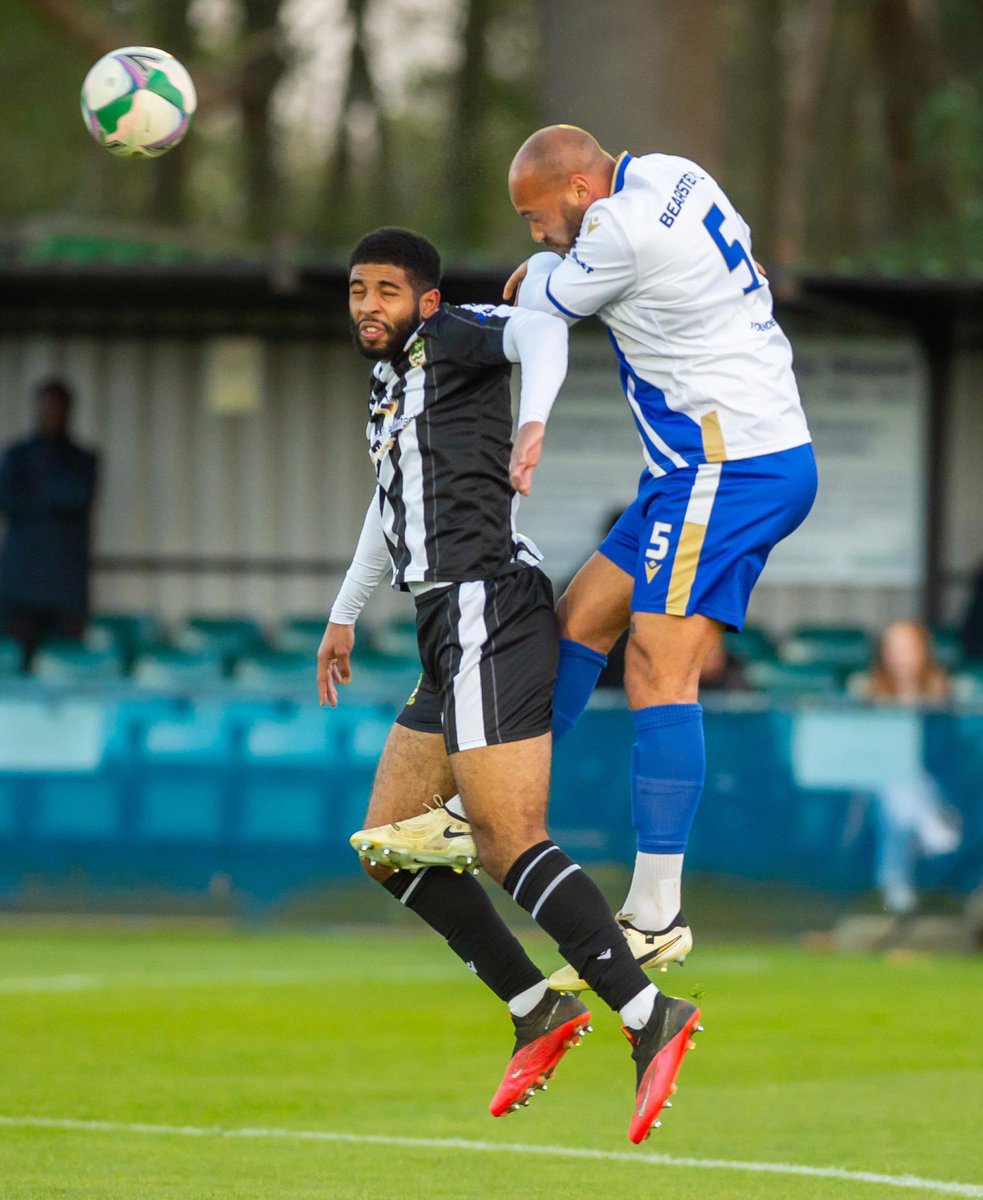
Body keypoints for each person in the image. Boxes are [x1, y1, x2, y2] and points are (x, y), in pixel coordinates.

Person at [356, 125, 817, 992]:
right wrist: (549, 272)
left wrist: (537, 283)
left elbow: (542, 311)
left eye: (535, 217)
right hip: (708, 464)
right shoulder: (677, 171)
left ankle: (653, 912)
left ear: (577, 187)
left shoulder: (616, 231)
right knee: (581, 618)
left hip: (727, 465)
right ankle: (472, 810)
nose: (533, 235)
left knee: (656, 669)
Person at [317, 227, 700, 1143]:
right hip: (443, 620)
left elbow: (543, 333)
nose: (369, 304)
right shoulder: (392, 377)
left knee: (505, 839)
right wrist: (343, 611)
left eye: (387, 290)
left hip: (491, 605)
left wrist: (534, 423)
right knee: (388, 845)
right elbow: (391, 502)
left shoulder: (458, 334)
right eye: (357, 289)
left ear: (427, 300)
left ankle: (650, 1016)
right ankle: (536, 1006)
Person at [860, 620, 960, 914]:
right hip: (874, 781)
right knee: (897, 788)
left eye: (907, 649)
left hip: (932, 781)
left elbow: (947, 753)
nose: (900, 657)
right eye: (894, 649)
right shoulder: (868, 690)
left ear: (922, 651)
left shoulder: (943, 693)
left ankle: (895, 886)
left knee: (904, 795)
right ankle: (931, 827)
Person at [0, 380, 99, 669]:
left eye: (59, 408)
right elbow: (8, 501)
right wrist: (53, 494)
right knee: (17, 665)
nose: (52, 414)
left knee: (68, 665)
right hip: (21, 585)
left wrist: (34, 491)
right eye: (47, 408)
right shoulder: (17, 455)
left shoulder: (83, 459)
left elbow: (78, 496)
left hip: (66, 588)